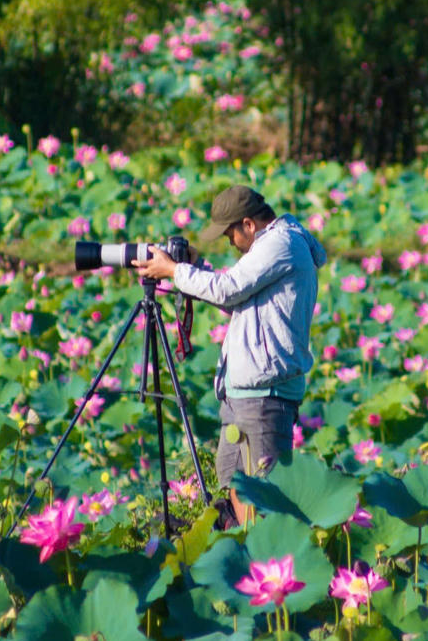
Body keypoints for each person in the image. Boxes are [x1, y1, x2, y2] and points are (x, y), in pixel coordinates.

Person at [132, 184, 327, 526]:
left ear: (248, 224)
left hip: (263, 397)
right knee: (237, 495)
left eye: (229, 234)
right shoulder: (274, 247)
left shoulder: (281, 243)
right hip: (247, 396)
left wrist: (174, 272)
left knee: (260, 505)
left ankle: (255, 560)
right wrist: (196, 268)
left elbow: (229, 288)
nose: (229, 243)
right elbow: (234, 296)